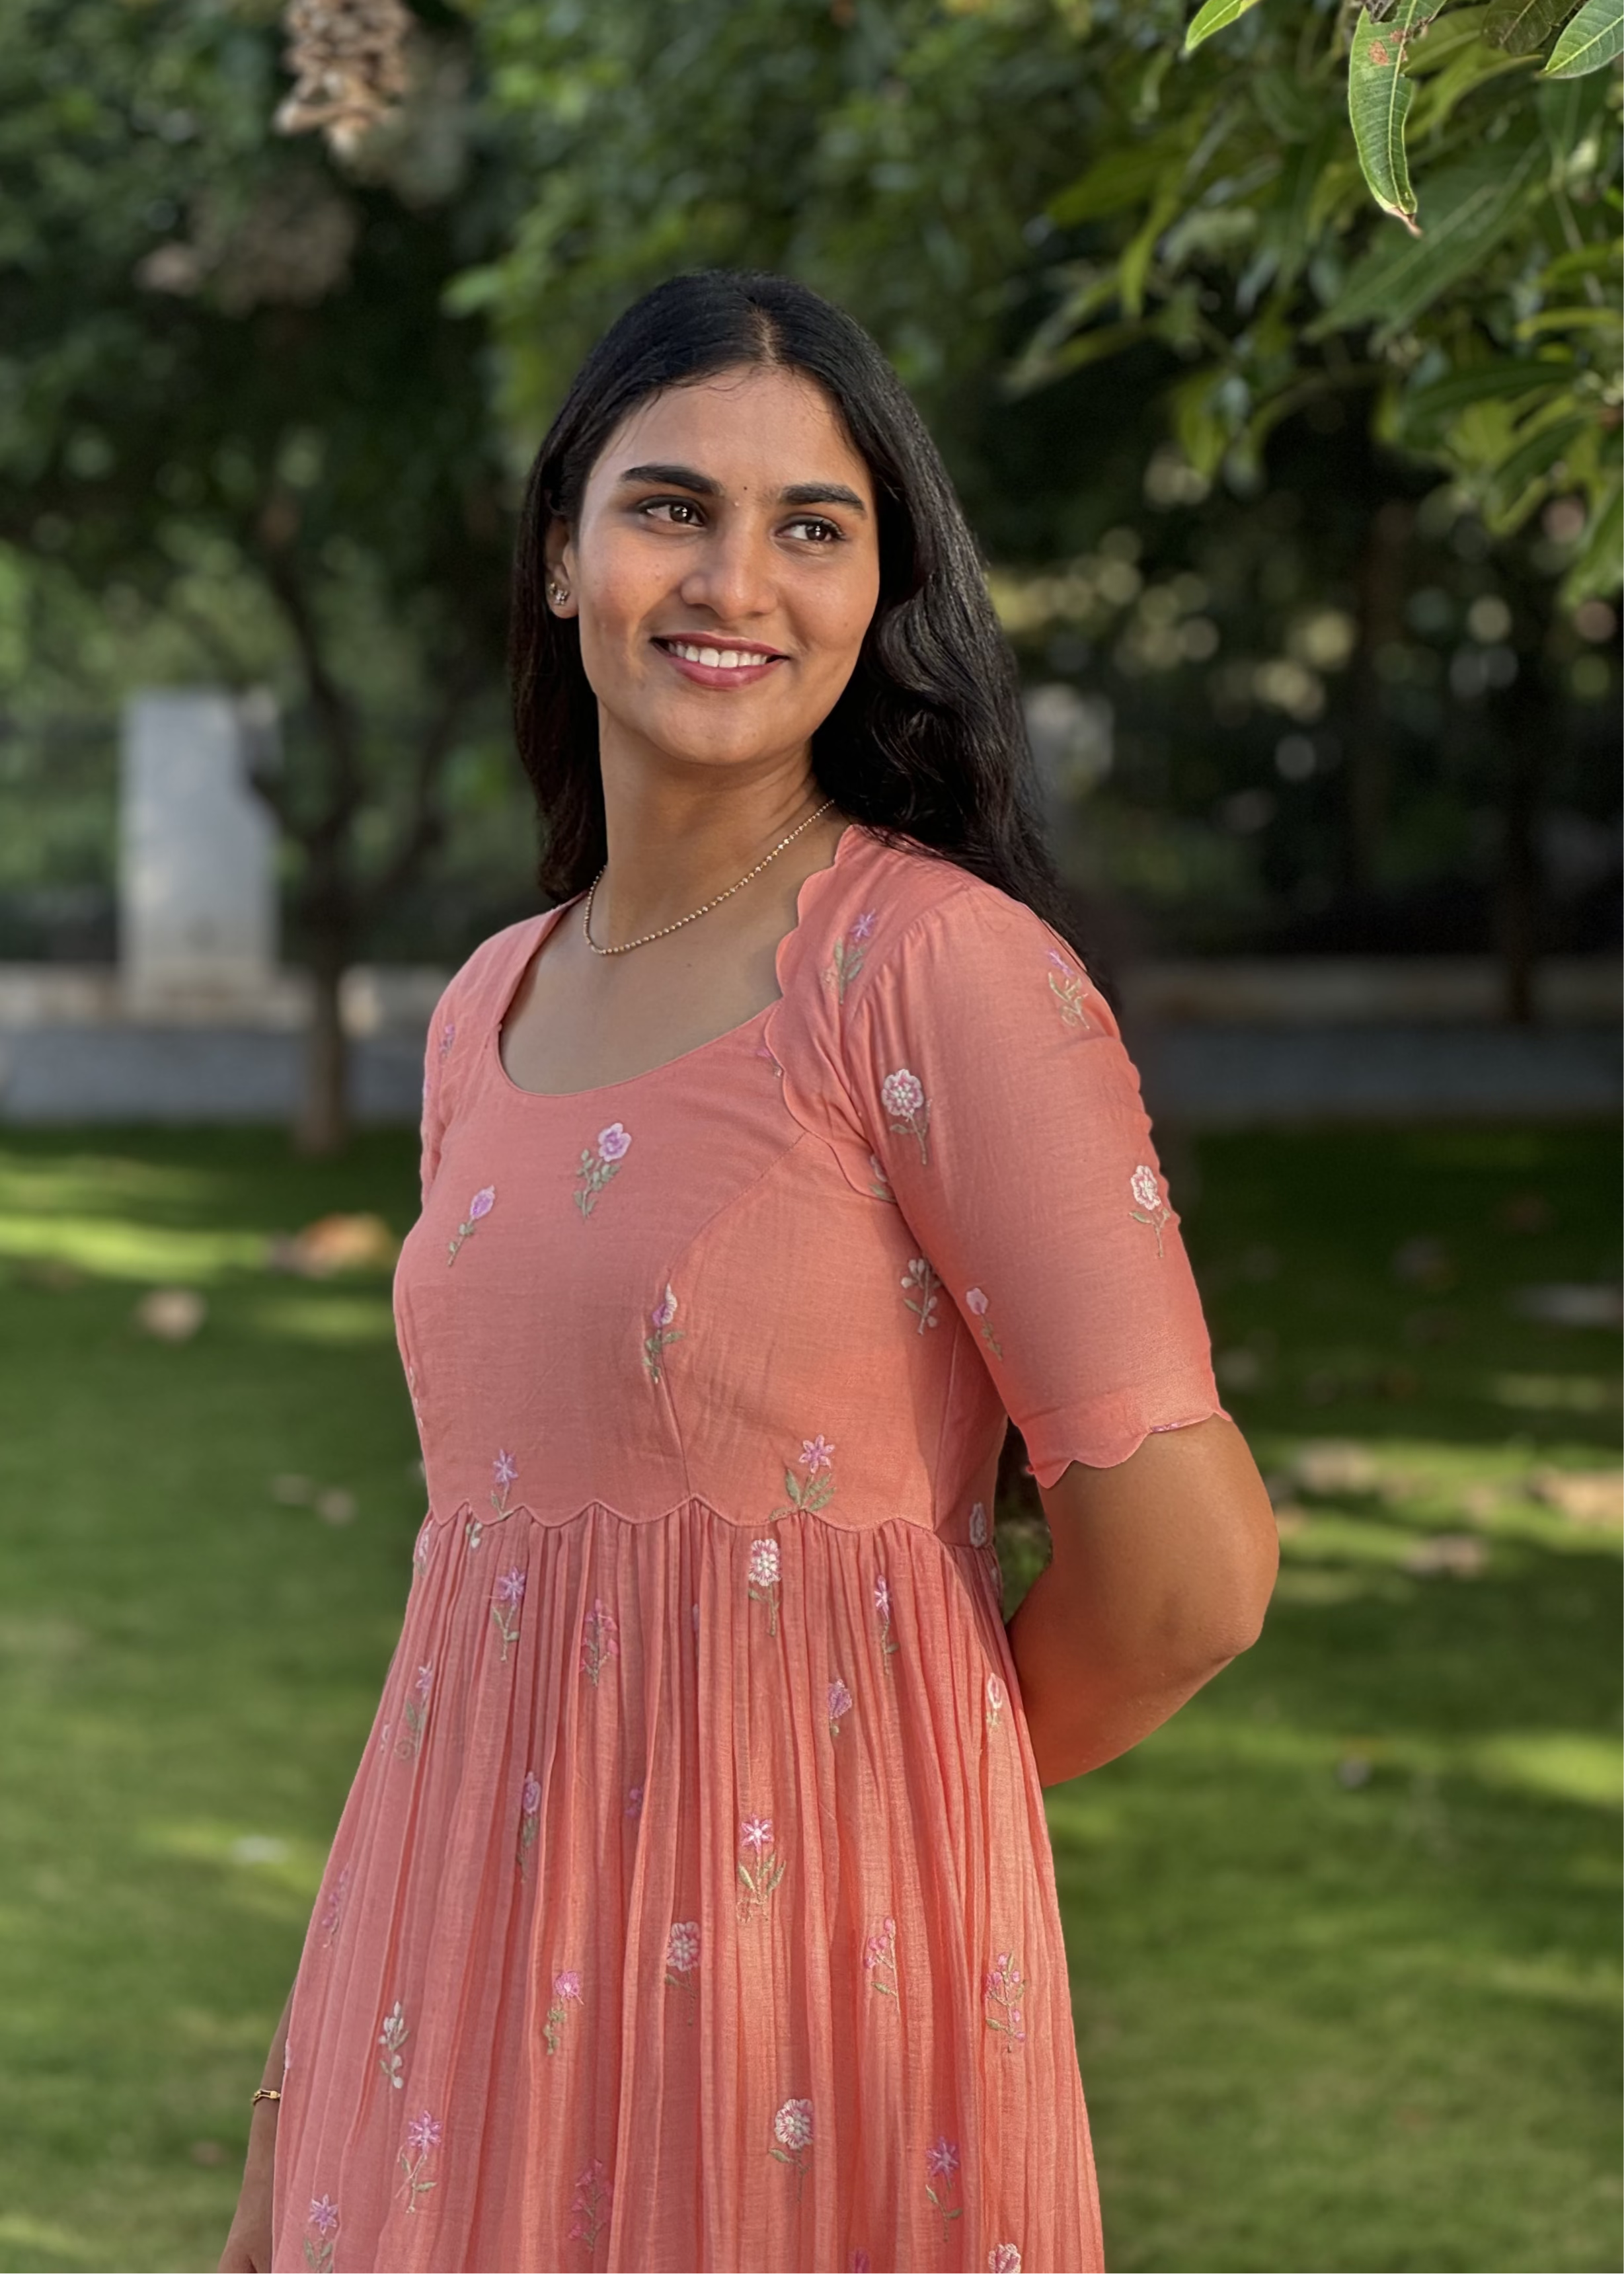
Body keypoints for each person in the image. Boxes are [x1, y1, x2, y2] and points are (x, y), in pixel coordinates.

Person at [219, 268, 1278, 2274]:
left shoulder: (939, 976)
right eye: (670, 508)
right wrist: (305, 2084)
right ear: (561, 558)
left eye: (813, 526)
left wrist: (841, 1814)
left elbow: (1190, 1582)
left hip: (802, 2014)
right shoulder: (483, 1008)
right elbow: (472, 1604)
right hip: (440, 1989)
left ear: (881, 590)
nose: (736, 581)